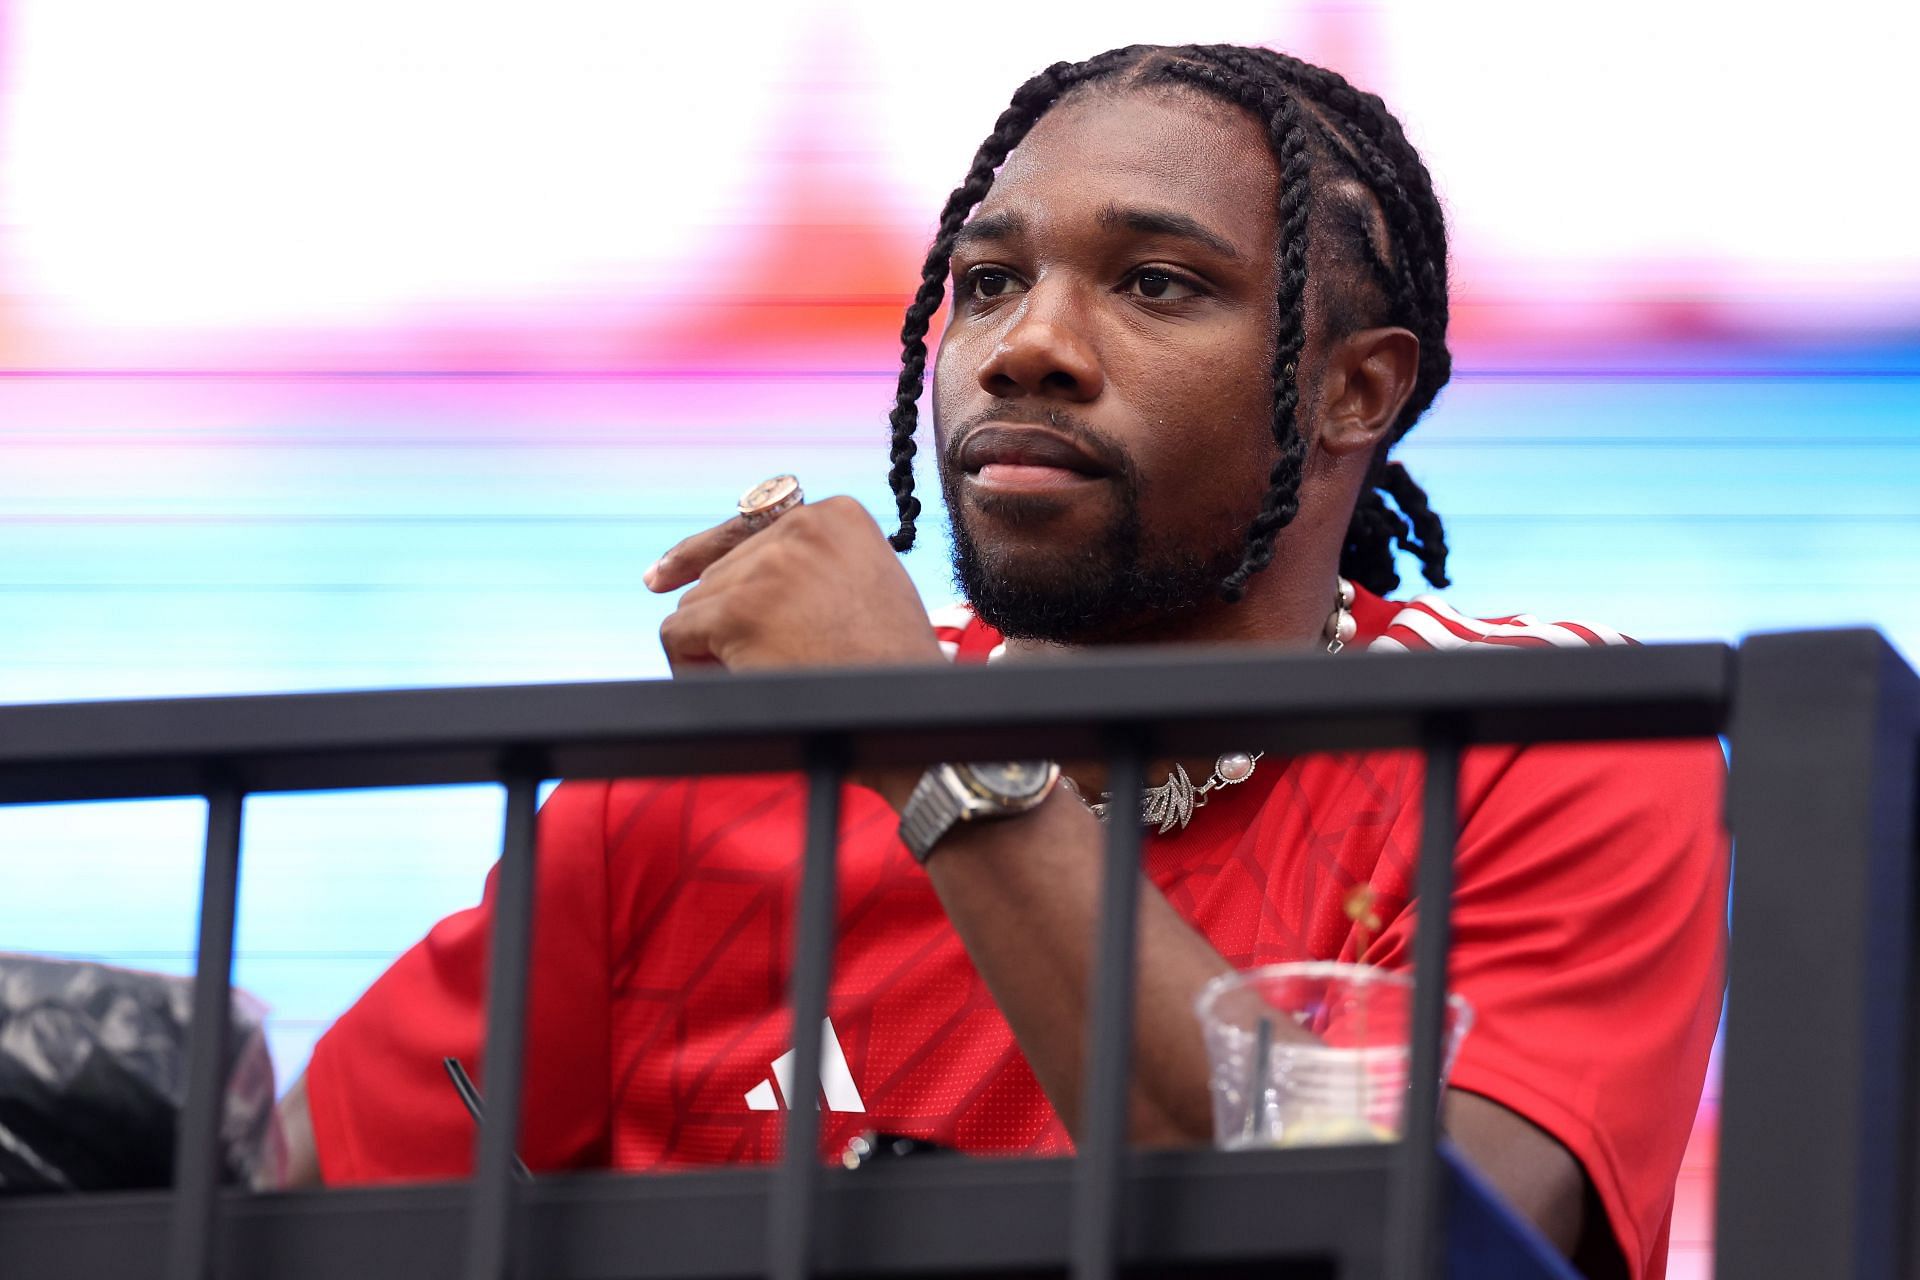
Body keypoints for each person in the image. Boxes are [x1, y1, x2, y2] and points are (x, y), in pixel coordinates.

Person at [270, 43, 1725, 1280]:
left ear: (1356, 389)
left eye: (1155, 284)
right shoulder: (713, 782)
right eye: (986, 278)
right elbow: (295, 1203)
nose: (1027, 347)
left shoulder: (1543, 744)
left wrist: (926, 745)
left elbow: (1393, 1244)